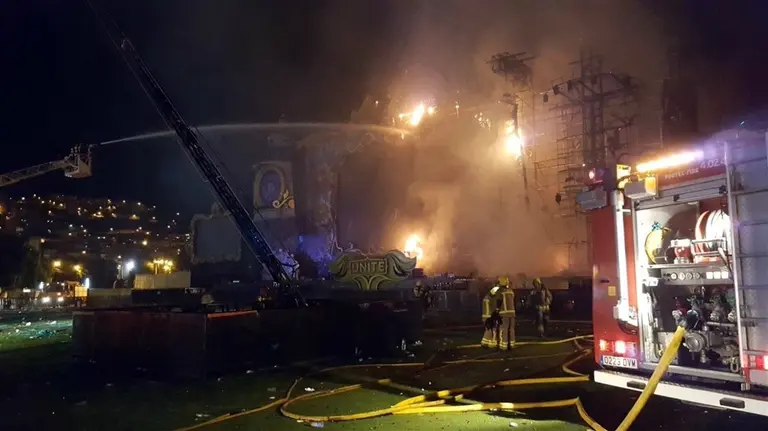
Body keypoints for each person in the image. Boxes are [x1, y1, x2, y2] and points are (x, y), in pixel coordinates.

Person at [481, 276, 516, 349]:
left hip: (503, 313)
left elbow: (493, 298)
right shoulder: (511, 291)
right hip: (512, 313)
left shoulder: (499, 290)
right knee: (511, 329)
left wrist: (495, 311)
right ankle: (512, 344)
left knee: (502, 329)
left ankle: (503, 346)